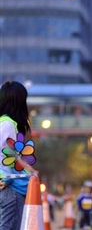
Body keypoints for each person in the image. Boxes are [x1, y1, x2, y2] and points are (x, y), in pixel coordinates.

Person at [0, 80, 38, 230]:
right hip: (10, 188)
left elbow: (11, 155)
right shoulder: (7, 124)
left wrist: (30, 169)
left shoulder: (4, 123)